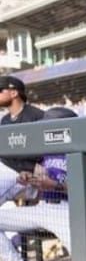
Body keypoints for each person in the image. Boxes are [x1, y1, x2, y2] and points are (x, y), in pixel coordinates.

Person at [0, 107, 74, 261]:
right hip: (43, 208)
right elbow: (37, 189)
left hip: (67, 212)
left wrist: (55, 185)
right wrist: (29, 180)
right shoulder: (46, 153)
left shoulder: (82, 151)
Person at [0, 76, 44, 205]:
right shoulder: (5, 120)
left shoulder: (37, 116)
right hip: (6, 168)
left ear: (14, 93)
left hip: (24, 174)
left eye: (0, 90)